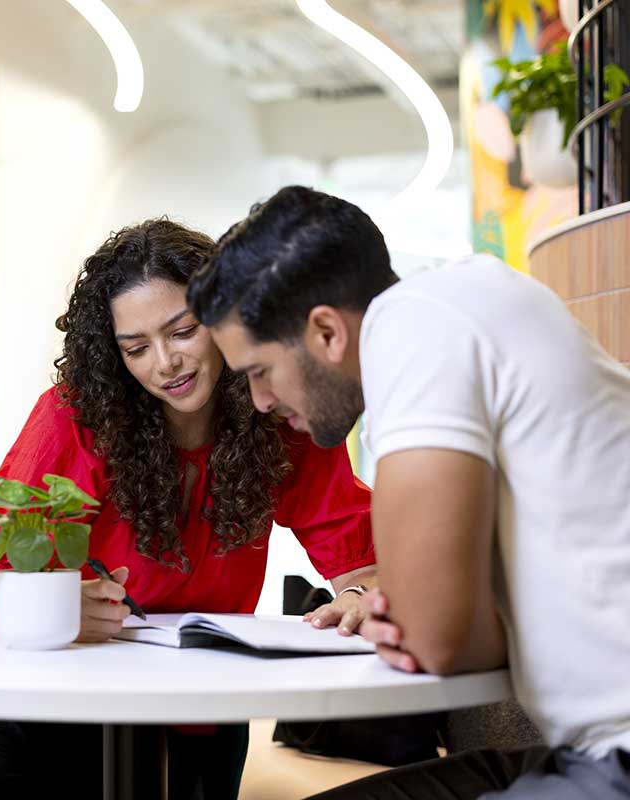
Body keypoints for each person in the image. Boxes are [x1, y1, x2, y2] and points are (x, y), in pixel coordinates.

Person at [186, 185, 630, 799]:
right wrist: (413, 607)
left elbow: (441, 640)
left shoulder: (413, 330)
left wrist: (419, 612)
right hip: (587, 749)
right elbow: (454, 632)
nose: (259, 401)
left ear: (325, 332)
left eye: (260, 371)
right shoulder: (464, 300)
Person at [0, 218, 378, 799]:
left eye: (183, 332)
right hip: (53, 699)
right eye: (136, 348)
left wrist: (359, 597)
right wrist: (59, 611)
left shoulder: (276, 409)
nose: (165, 363)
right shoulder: (77, 416)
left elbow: (360, 568)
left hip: (182, 710)